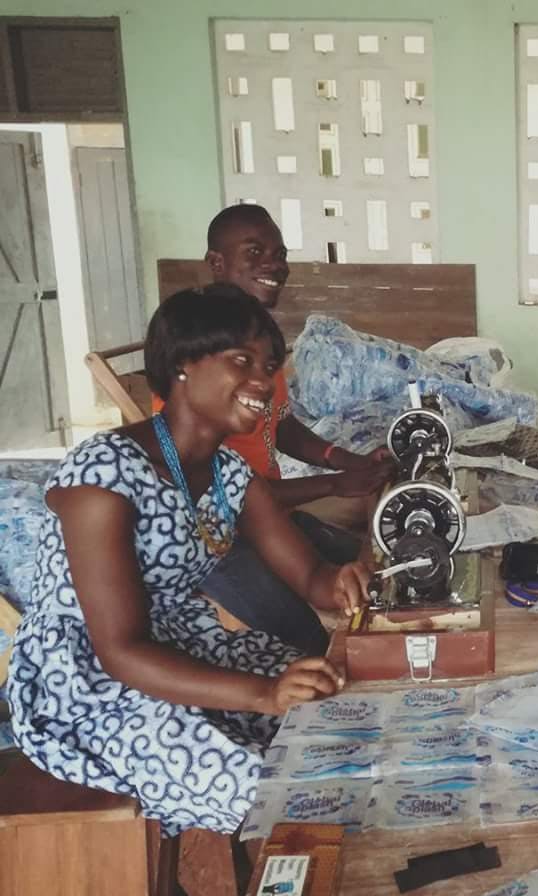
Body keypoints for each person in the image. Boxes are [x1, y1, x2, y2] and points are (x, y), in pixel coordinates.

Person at [5, 286, 366, 836]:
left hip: (182, 644)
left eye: (269, 366)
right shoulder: (103, 474)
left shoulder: (229, 475)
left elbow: (313, 578)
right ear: (182, 365)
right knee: (278, 792)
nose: (263, 381)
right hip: (88, 684)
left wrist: (345, 581)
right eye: (242, 361)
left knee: (339, 707)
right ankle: (291, 878)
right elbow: (120, 651)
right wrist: (265, 695)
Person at [165, 204, 394, 654]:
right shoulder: (195, 353)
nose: (274, 264)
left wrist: (343, 462)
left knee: (377, 572)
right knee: (308, 644)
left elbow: (279, 425)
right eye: (254, 252)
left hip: (261, 517)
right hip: (217, 547)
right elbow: (222, 500)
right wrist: (334, 483)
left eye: (280, 254)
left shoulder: (255, 341)